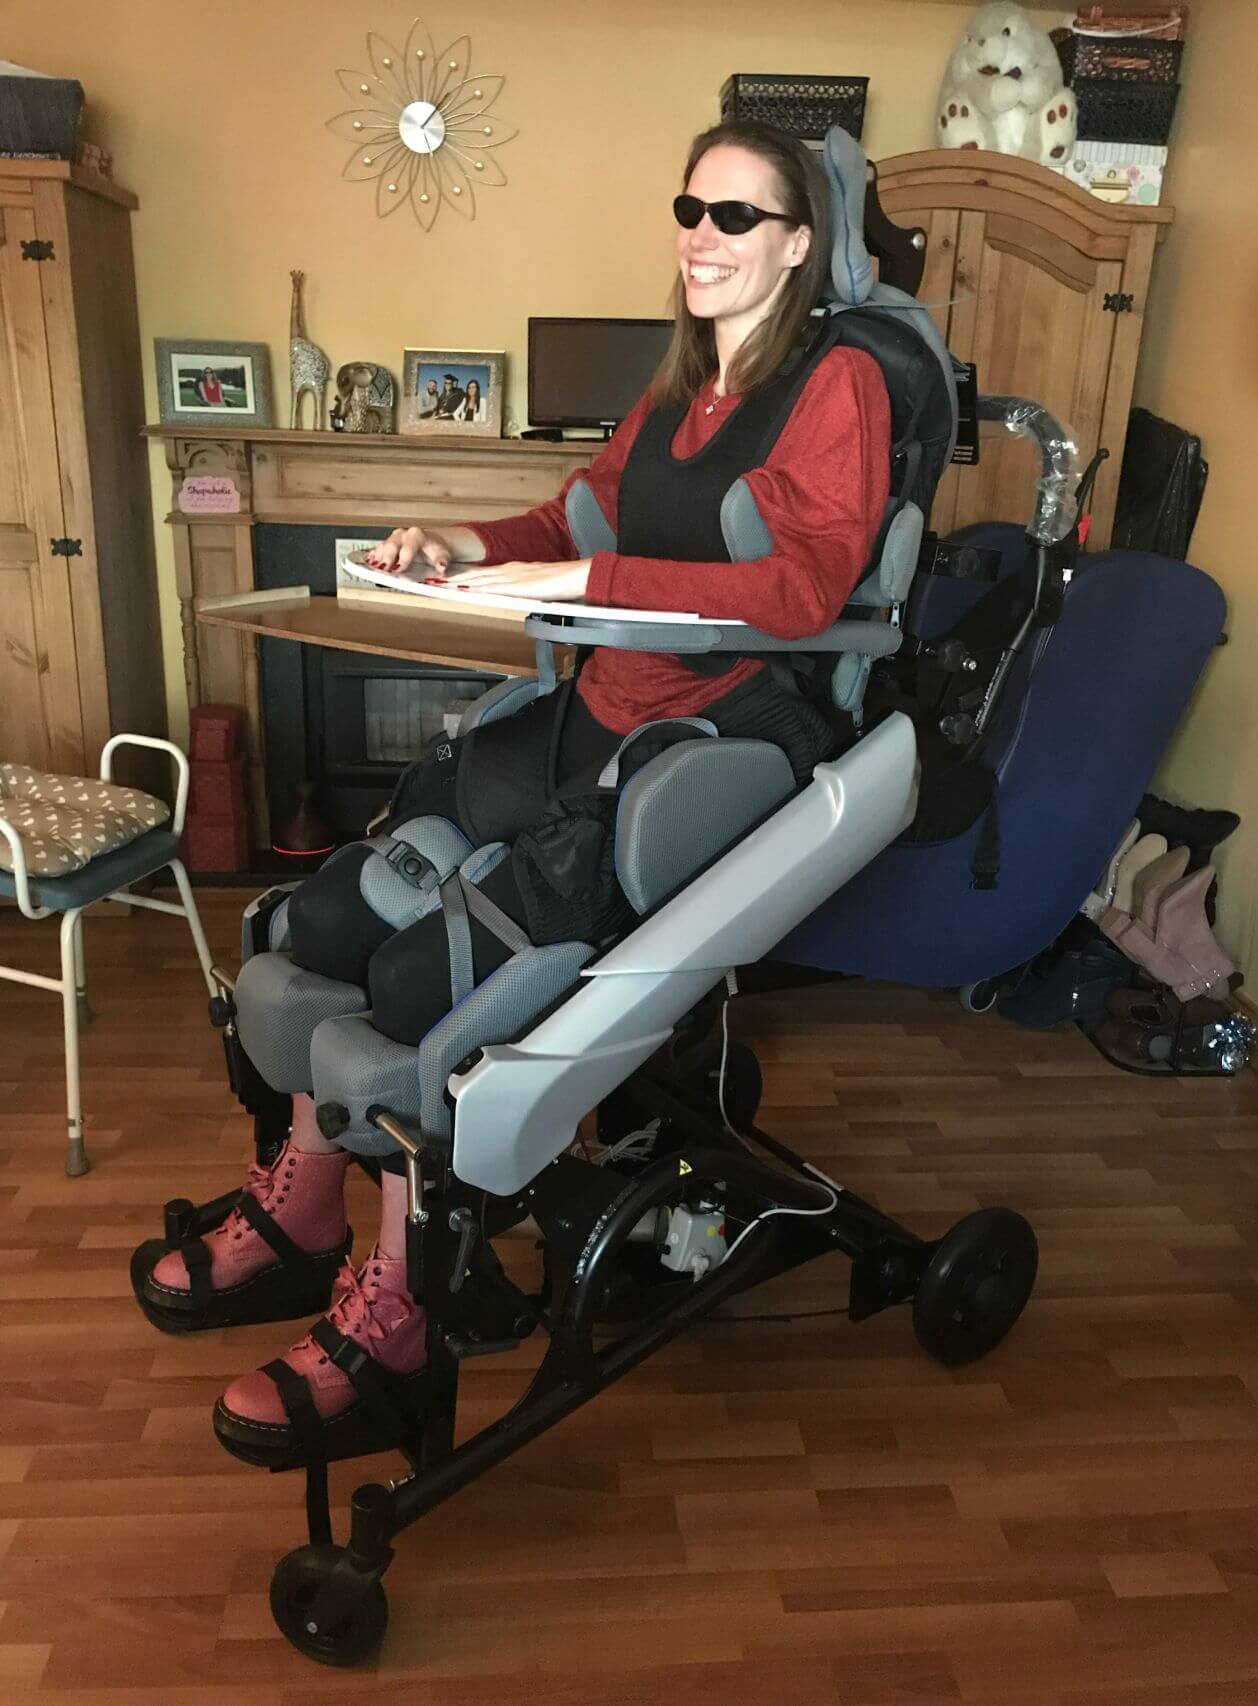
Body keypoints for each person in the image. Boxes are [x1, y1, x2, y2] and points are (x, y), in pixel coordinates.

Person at [136, 118, 891, 1462]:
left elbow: (806, 587)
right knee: (321, 928)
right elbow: (576, 520)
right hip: (582, 712)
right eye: (689, 207)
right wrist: (464, 545)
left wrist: (586, 588)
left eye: (735, 217)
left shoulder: (833, 385)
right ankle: (308, 1210)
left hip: (704, 739)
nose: (699, 237)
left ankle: (403, 1324)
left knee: (431, 993)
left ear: (795, 243)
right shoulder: (677, 387)